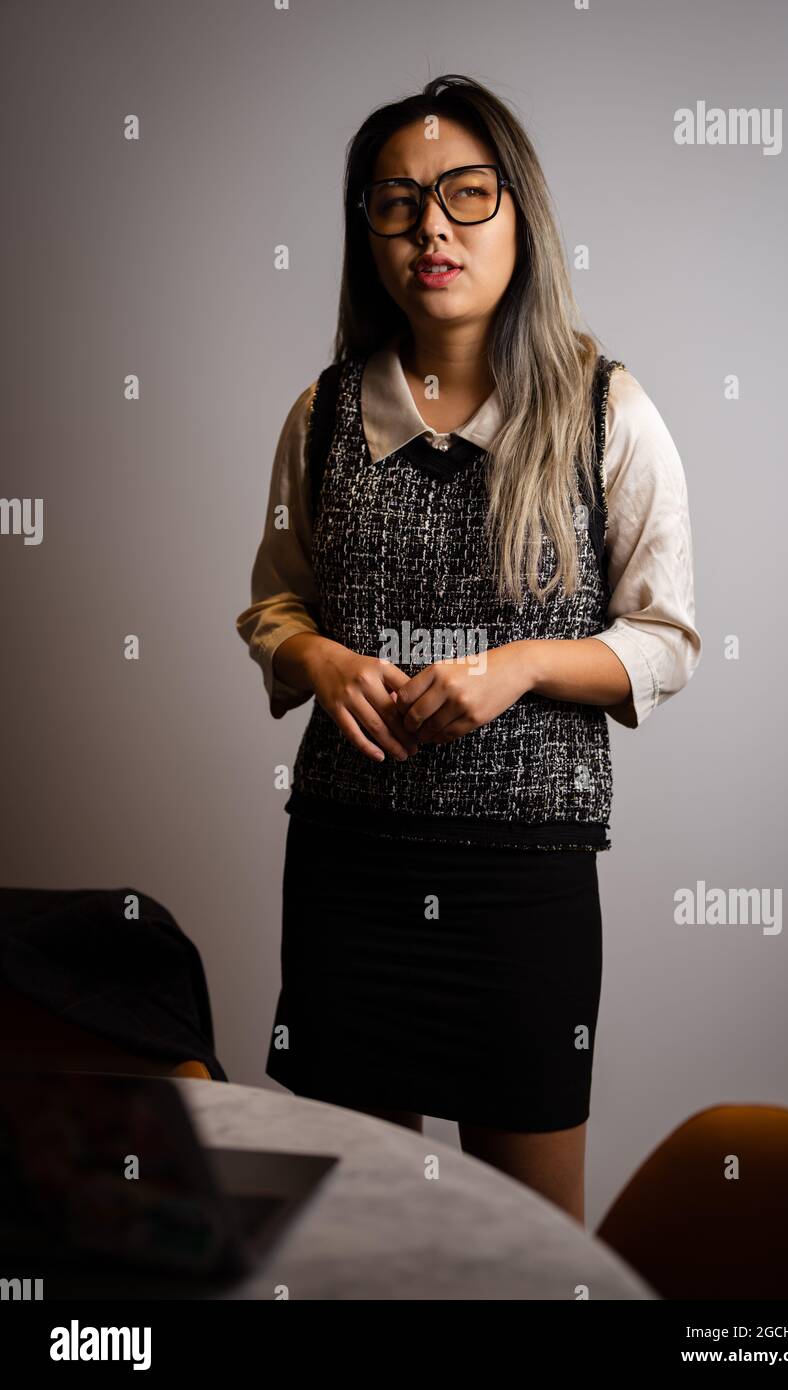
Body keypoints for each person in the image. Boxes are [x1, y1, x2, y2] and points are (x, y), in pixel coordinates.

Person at [236, 74, 701, 1224]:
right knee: (362, 1241)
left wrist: (525, 664)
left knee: (531, 1252)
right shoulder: (323, 414)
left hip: (522, 882)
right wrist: (319, 662)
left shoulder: (606, 410)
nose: (429, 227)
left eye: (463, 194)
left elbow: (665, 637)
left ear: (517, 214)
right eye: (395, 203)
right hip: (349, 870)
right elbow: (273, 608)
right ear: (368, 233)